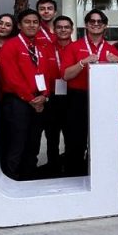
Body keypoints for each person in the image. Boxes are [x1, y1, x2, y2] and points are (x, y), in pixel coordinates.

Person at [61, 9, 118, 175]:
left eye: (99, 21)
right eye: (92, 21)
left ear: (105, 26)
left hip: (102, 99)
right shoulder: (74, 47)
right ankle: (74, 175)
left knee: (100, 139)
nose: (96, 24)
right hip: (78, 97)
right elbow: (66, 75)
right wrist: (83, 62)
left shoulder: (112, 49)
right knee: (76, 140)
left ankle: (99, 174)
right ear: (86, 25)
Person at [0, 9, 52, 181]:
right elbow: (11, 78)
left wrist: (45, 95)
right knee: (16, 143)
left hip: (38, 100)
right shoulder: (11, 46)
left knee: (33, 143)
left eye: (35, 22)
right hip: (18, 102)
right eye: (27, 22)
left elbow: (46, 73)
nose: (32, 25)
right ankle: (11, 179)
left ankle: (29, 176)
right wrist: (31, 99)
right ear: (19, 25)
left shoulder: (38, 46)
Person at [41, 14, 75, 176]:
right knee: (51, 136)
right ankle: (53, 167)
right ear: (54, 30)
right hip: (51, 98)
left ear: (72, 30)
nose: (63, 30)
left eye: (66, 27)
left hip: (72, 98)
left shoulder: (77, 49)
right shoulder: (45, 48)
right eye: (59, 27)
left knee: (72, 135)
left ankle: (70, 166)